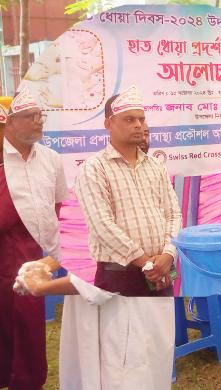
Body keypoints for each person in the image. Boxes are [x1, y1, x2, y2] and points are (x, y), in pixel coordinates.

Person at [74, 85, 181, 297]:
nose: (138, 125)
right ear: (109, 124)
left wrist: (168, 254)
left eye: (141, 119)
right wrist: (144, 262)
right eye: (129, 119)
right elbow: (101, 225)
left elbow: (173, 214)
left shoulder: (155, 165)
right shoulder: (94, 168)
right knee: (121, 330)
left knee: (162, 330)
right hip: (119, 275)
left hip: (161, 271)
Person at [13, 256, 174, 390]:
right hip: (101, 306)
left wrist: (41, 286)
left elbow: (106, 276)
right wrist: (47, 263)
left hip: (123, 312)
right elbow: (83, 235)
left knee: (127, 377)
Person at [1, 88, 68, 390]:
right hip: (4, 251)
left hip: (35, 254)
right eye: (30, 117)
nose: (39, 122)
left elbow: (57, 206)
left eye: (41, 116)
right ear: (10, 123)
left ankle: (27, 383)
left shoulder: (52, 159)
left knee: (28, 326)